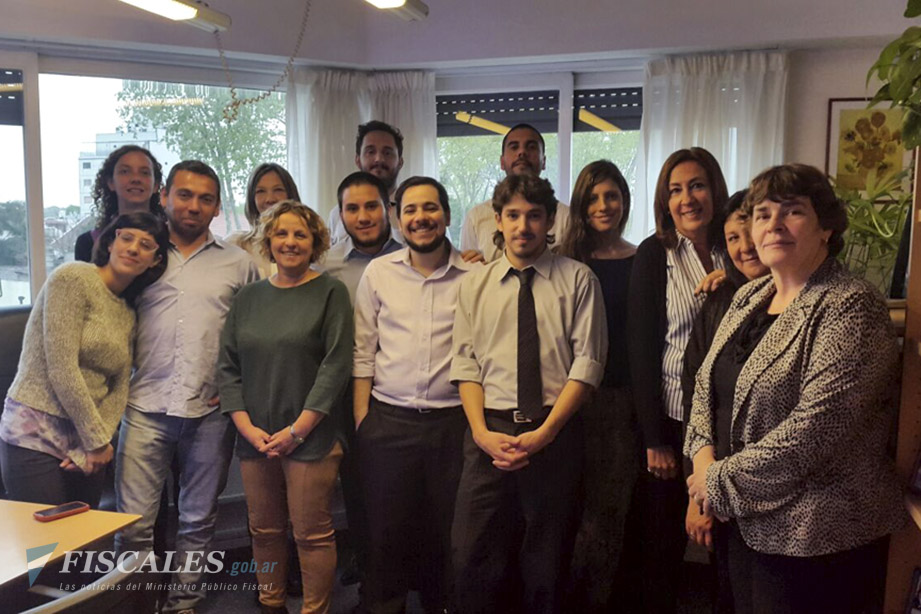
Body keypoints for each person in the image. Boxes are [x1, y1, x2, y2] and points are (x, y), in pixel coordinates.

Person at [685, 164, 906, 614]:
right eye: (763, 214)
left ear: (826, 227)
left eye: (793, 211)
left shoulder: (851, 304)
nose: (774, 225)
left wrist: (715, 482)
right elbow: (705, 389)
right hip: (741, 524)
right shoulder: (749, 296)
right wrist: (703, 461)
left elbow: (815, 432)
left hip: (815, 537)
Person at [450, 173, 606, 614]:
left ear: (549, 220)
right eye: (513, 215)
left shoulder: (578, 280)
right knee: (472, 553)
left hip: (554, 431)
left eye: (534, 215)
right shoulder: (474, 285)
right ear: (498, 220)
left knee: (547, 558)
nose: (523, 226)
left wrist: (546, 433)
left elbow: (587, 364)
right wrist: (481, 433)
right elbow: (465, 365)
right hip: (489, 432)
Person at [115, 160, 259, 614]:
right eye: (184, 194)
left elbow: (255, 334)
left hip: (210, 413)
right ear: (164, 197)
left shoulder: (239, 263)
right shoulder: (141, 254)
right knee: (133, 526)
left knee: (197, 520)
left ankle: (183, 603)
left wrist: (236, 385)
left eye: (205, 198)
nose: (193, 206)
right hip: (144, 406)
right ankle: (136, 606)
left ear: (216, 208)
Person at [219, 200, 352, 614]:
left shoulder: (331, 292)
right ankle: (270, 603)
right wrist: (246, 429)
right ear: (267, 241)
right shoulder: (247, 298)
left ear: (315, 242)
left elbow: (336, 366)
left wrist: (298, 430)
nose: (290, 242)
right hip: (256, 438)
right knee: (264, 530)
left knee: (311, 533)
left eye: (300, 234)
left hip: (311, 437)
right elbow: (227, 368)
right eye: (281, 233)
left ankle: (315, 609)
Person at [352, 176, 475, 613]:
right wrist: (364, 422)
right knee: (385, 535)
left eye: (430, 207)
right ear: (398, 219)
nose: (421, 218)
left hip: (453, 425)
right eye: (410, 210)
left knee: (448, 533)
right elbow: (362, 351)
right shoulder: (378, 273)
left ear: (446, 213)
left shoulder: (476, 276)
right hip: (388, 424)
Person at [1, 212, 168, 506]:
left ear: (155, 260)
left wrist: (96, 442)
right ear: (111, 243)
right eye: (127, 238)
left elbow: (120, 386)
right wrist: (97, 442)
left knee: (83, 532)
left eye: (145, 245)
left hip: (87, 439)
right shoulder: (72, 278)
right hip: (34, 431)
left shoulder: (128, 311)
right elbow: (61, 368)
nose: (133, 248)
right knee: (46, 535)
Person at [626, 146, 729, 613]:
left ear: (715, 190)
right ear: (664, 201)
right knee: (662, 542)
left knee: (724, 539)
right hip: (673, 419)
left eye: (697, 186)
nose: (687, 198)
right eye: (675, 190)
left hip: (727, 424)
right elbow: (641, 348)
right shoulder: (656, 253)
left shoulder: (736, 246)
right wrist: (654, 439)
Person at [680, 188, 769, 614]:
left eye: (750, 231)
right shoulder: (721, 300)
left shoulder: (804, 302)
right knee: (726, 592)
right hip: (716, 476)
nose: (745, 246)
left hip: (772, 497)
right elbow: (697, 394)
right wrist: (700, 494)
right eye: (733, 238)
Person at [558, 160, 639, 612]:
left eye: (612, 196)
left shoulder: (643, 258)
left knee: (607, 512)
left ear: (625, 200)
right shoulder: (562, 262)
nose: (603, 205)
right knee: (564, 510)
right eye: (593, 198)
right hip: (563, 401)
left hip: (617, 402)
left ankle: (595, 602)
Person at [459, 123, 570, 262]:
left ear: (544, 161)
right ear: (502, 162)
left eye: (531, 147)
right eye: (514, 147)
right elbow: (467, 269)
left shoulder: (566, 217)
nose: (522, 152)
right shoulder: (476, 217)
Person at [319, 172, 404, 303]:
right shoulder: (325, 265)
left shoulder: (412, 252)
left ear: (388, 210)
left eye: (371, 207)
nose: (363, 218)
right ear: (341, 216)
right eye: (352, 209)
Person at [75, 145, 164, 262]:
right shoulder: (88, 242)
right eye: (125, 171)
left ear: (156, 185)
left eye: (144, 173)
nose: (136, 179)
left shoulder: (169, 238)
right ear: (111, 182)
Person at [327, 120, 404, 245]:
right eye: (370, 152)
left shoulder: (413, 211)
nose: (379, 159)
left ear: (400, 162)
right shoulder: (336, 215)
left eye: (387, 153)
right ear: (358, 160)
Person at [227, 163, 301, 278]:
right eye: (261, 191)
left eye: (278, 190)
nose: (270, 199)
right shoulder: (237, 245)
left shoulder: (306, 245)